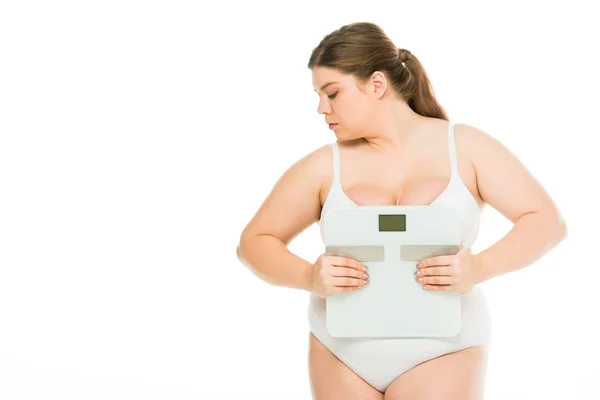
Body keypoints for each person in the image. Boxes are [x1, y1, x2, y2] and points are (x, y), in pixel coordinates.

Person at [236, 22, 567, 400]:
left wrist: (480, 267)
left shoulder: (467, 147)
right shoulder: (323, 166)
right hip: (340, 352)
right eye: (318, 95)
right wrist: (308, 275)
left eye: (332, 93)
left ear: (377, 85)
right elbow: (253, 242)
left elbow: (546, 222)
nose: (321, 108)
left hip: (444, 349)